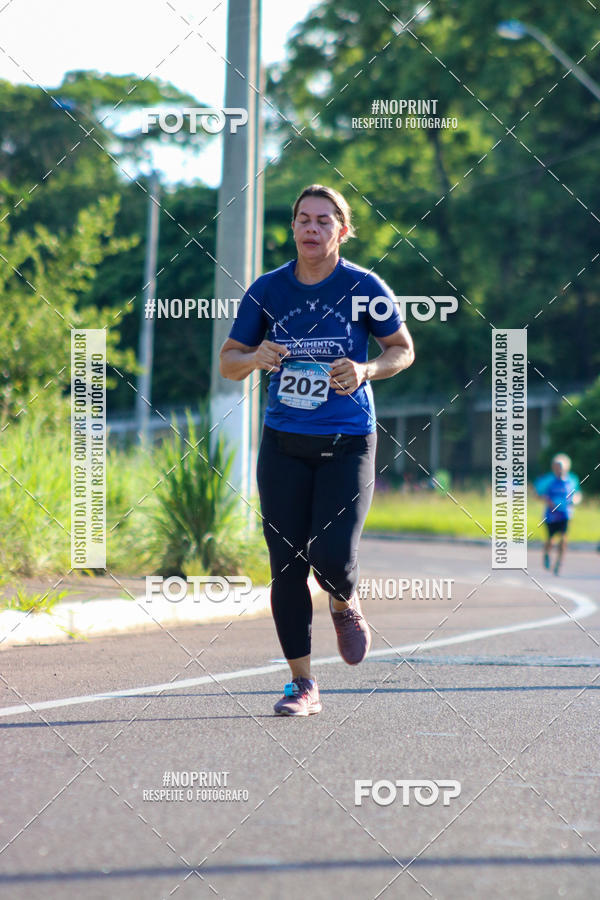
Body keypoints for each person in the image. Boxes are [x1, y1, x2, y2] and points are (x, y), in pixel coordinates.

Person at [219, 184, 414, 716]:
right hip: (283, 444)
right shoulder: (267, 290)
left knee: (330, 559)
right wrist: (256, 354)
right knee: (286, 565)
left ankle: (345, 601)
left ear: (342, 230)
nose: (312, 228)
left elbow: (402, 349)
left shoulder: (363, 286)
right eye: (304, 219)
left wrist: (367, 368)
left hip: (348, 441)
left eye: (324, 221)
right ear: (293, 228)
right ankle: (302, 684)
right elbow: (228, 362)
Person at [535, 453, 581, 575]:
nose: (559, 469)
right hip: (551, 515)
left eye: (561, 466)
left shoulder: (571, 480)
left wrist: (575, 500)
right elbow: (538, 494)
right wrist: (549, 502)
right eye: (556, 466)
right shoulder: (548, 480)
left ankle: (559, 563)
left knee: (564, 539)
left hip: (565, 514)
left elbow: (577, 494)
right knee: (551, 540)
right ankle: (546, 553)